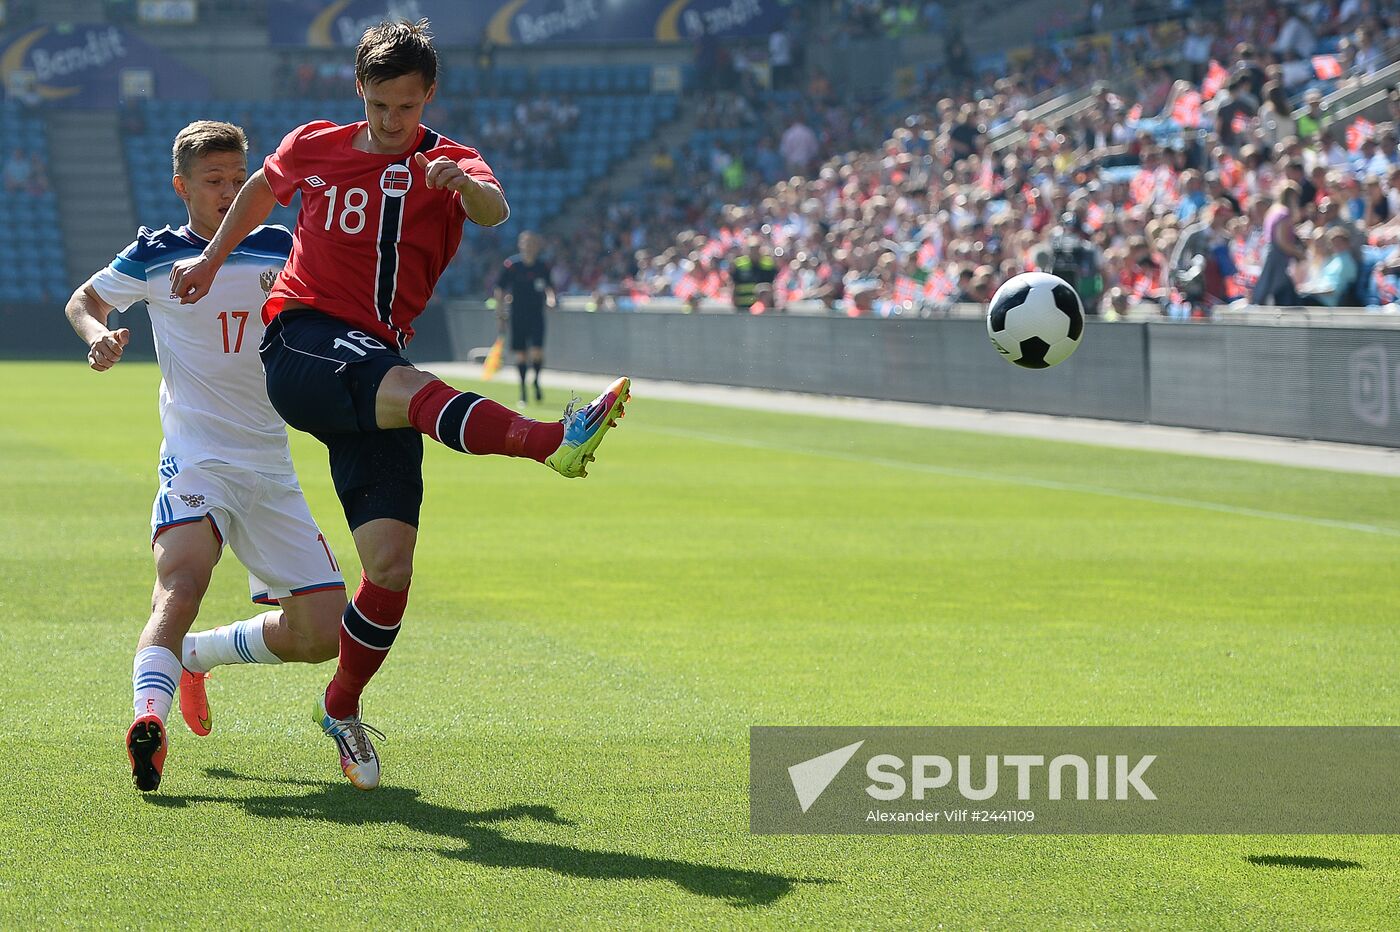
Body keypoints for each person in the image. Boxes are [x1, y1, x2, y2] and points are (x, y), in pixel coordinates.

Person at [168, 20, 631, 791]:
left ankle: (337, 705)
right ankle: (553, 441)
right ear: (360, 90)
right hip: (303, 342)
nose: (391, 121)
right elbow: (262, 191)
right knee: (414, 393)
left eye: (406, 108)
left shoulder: (449, 160)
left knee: (390, 566)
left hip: (376, 362)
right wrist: (214, 261)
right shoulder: (318, 144)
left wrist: (464, 188)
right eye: (379, 105)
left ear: (429, 97)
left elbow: (494, 210)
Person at [63, 121, 348, 793]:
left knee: (323, 634)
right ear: (182, 187)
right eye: (213, 181)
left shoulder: (280, 244)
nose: (228, 191)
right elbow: (86, 299)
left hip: (269, 464)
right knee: (181, 583)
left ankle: (197, 655)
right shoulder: (156, 254)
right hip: (196, 459)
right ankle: (148, 720)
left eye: (237, 179)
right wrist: (98, 335)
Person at [494, 231, 556, 406]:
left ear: (537, 246)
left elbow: (550, 287)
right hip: (517, 315)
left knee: (537, 351)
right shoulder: (512, 266)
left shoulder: (542, 266)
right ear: (520, 245)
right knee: (521, 354)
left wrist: (551, 300)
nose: (528, 246)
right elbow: (500, 289)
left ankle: (536, 380)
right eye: (525, 243)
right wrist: (500, 312)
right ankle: (523, 391)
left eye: (532, 243)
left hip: (536, 315)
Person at [1252, 182, 1305, 306]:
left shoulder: (1274, 210)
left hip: (1270, 252)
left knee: (1276, 287)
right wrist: (1299, 254)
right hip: (1278, 256)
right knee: (1278, 289)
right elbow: (1282, 241)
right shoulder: (1283, 213)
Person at [730, 236, 778, 312]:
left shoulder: (768, 264)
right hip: (743, 306)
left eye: (757, 248)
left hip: (763, 307)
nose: (754, 251)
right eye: (752, 249)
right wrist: (734, 304)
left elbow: (773, 285)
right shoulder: (739, 264)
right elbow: (733, 285)